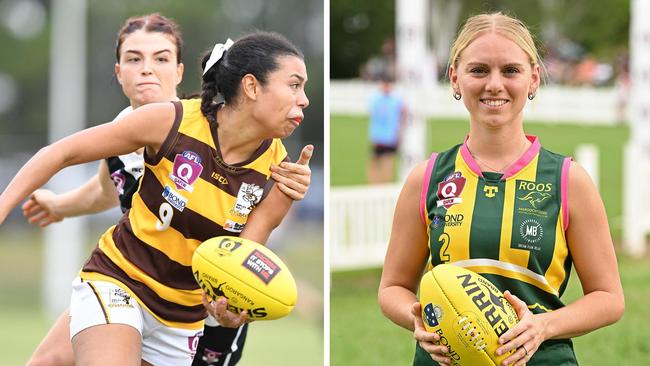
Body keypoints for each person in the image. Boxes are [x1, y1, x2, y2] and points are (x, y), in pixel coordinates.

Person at [0, 26, 312, 365]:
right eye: (294, 85)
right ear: (252, 86)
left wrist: (232, 309)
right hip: (120, 282)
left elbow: (236, 267)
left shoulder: (282, 176)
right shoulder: (172, 121)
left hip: (181, 322)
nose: (304, 99)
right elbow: (61, 153)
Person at [378, 12, 624, 366]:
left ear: (533, 78)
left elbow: (609, 297)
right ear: (455, 78)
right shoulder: (428, 178)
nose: (494, 84)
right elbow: (392, 288)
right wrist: (416, 317)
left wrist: (543, 326)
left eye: (510, 70)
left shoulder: (568, 180)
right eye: (479, 70)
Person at [366, 74, 406, 184]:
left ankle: (384, 184)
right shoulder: (378, 99)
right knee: (375, 160)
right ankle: (374, 184)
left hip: (389, 136)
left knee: (386, 161)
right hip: (379, 135)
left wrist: (399, 131)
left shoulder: (394, 100)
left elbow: (403, 113)